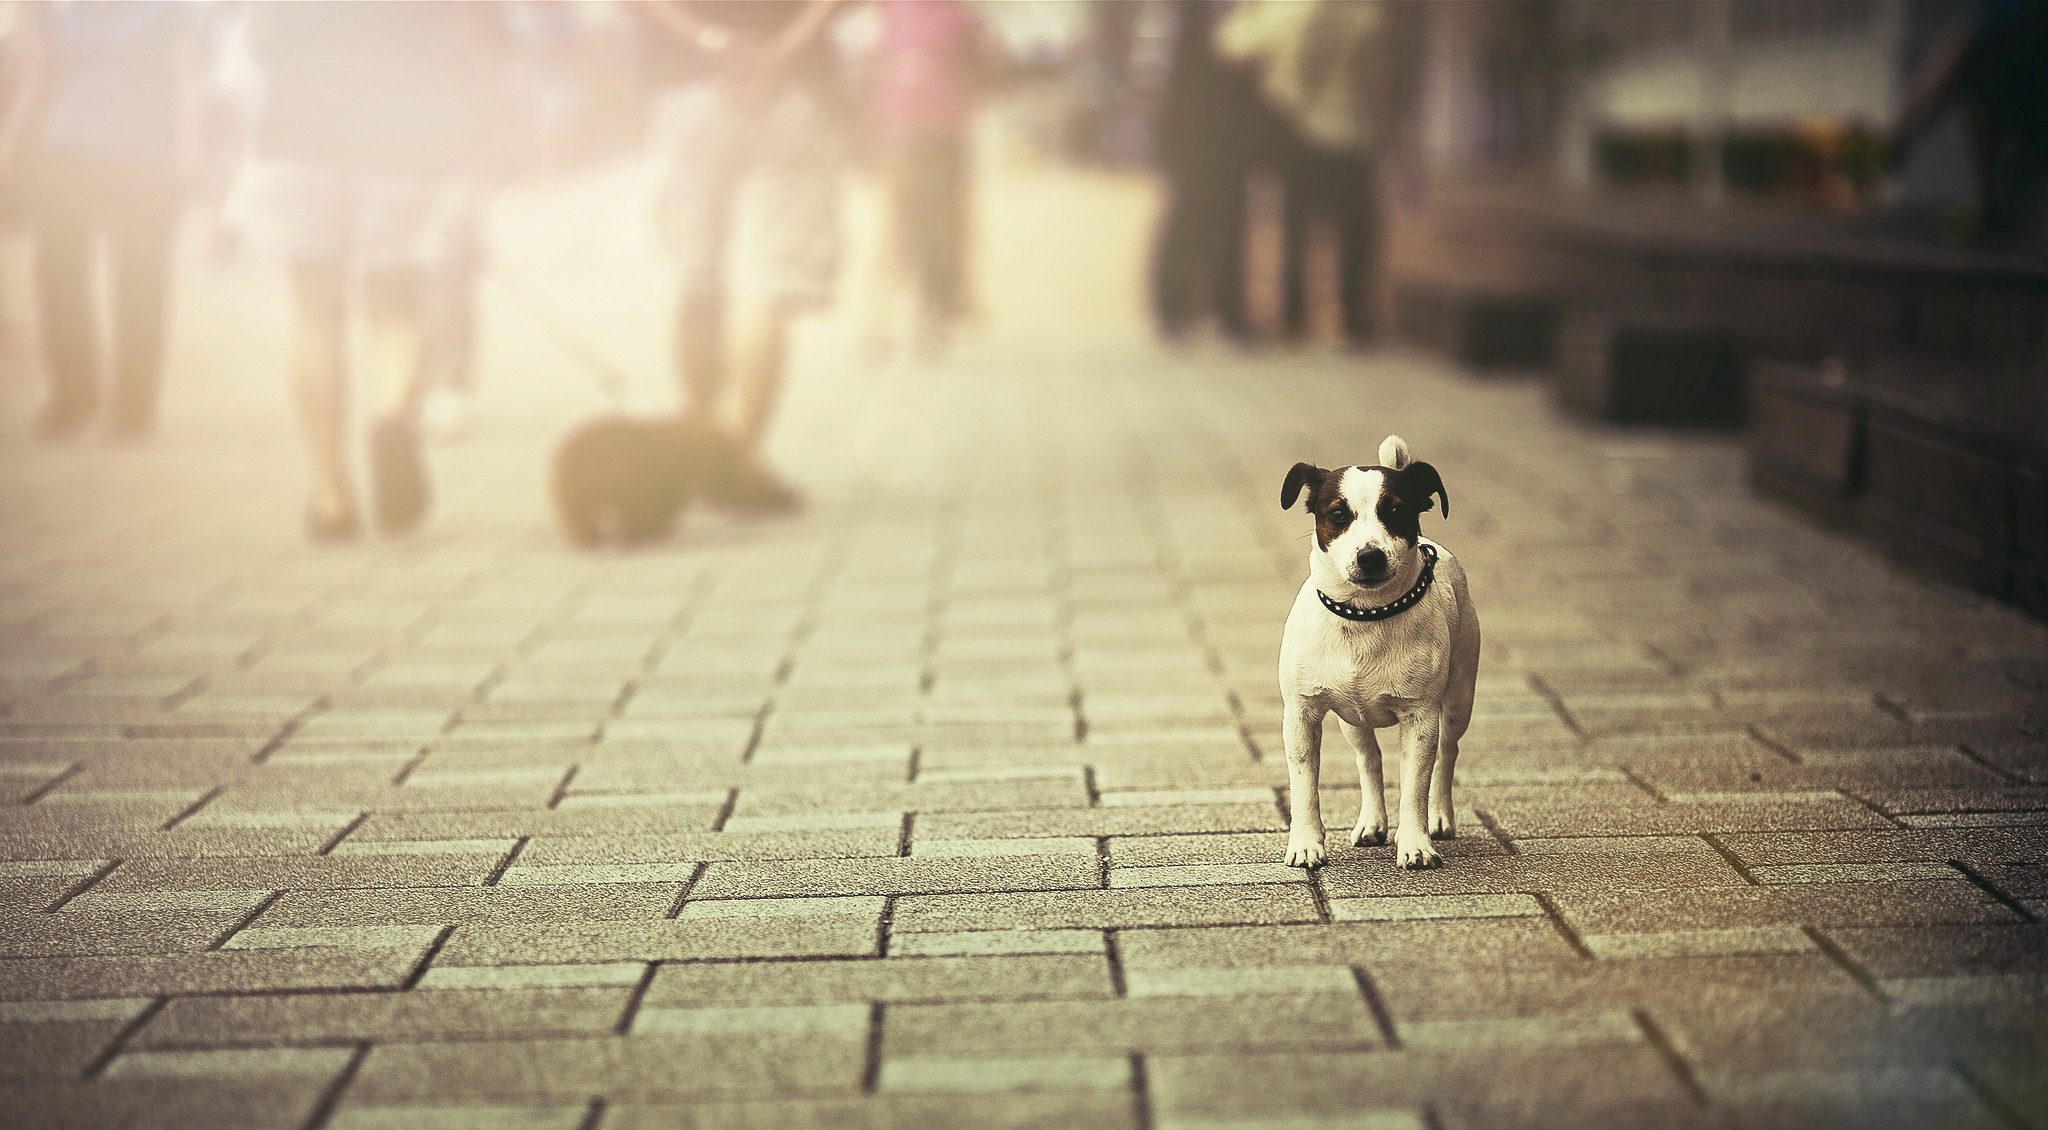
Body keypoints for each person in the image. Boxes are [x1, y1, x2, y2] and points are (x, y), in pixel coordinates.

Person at [236, 4, 511, 540]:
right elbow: (473, 35)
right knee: (394, 304)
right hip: (400, 140)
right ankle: (391, 416)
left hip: (299, 133)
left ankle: (330, 495)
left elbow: (260, 39)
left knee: (315, 315)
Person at [644, 1, 846, 514]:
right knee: (765, 283)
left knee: (695, 276)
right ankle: (732, 458)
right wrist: (781, 49)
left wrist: (710, 40)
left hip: (687, 83)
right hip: (792, 86)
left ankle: (706, 449)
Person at [0, 0, 206, 438]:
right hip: (67, 153)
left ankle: (133, 407)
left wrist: (190, 150)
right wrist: (11, 143)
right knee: (58, 275)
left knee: (140, 280)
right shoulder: (57, 12)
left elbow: (186, 81)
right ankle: (74, 397)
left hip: (146, 158)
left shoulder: (169, 12)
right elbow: (39, 78)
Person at [1219, 0, 1400, 344]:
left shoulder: (1287, 8)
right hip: (1353, 132)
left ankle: (1293, 317)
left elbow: (1233, 45)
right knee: (1355, 231)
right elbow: (1381, 81)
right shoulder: (1370, 14)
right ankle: (1351, 317)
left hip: (1303, 132)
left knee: (1296, 227)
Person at [863, 0, 985, 359]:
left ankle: (927, 317)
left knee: (935, 226)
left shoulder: (959, 15)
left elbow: (980, 67)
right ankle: (881, 319)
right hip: (901, 133)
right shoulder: (885, 13)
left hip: (941, 133)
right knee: (896, 226)